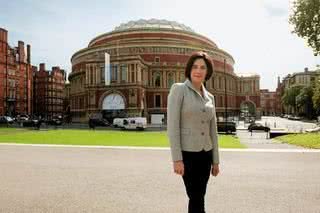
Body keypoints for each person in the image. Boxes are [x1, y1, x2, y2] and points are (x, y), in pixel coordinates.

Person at [167, 51, 220, 213]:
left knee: (200, 196)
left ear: (207, 72)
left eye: (203, 67)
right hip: (188, 155)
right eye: (195, 67)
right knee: (195, 196)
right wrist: (177, 159)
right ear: (189, 70)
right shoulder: (179, 89)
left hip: (206, 154)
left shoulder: (210, 97)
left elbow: (213, 130)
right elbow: (173, 126)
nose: (198, 70)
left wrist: (216, 160)